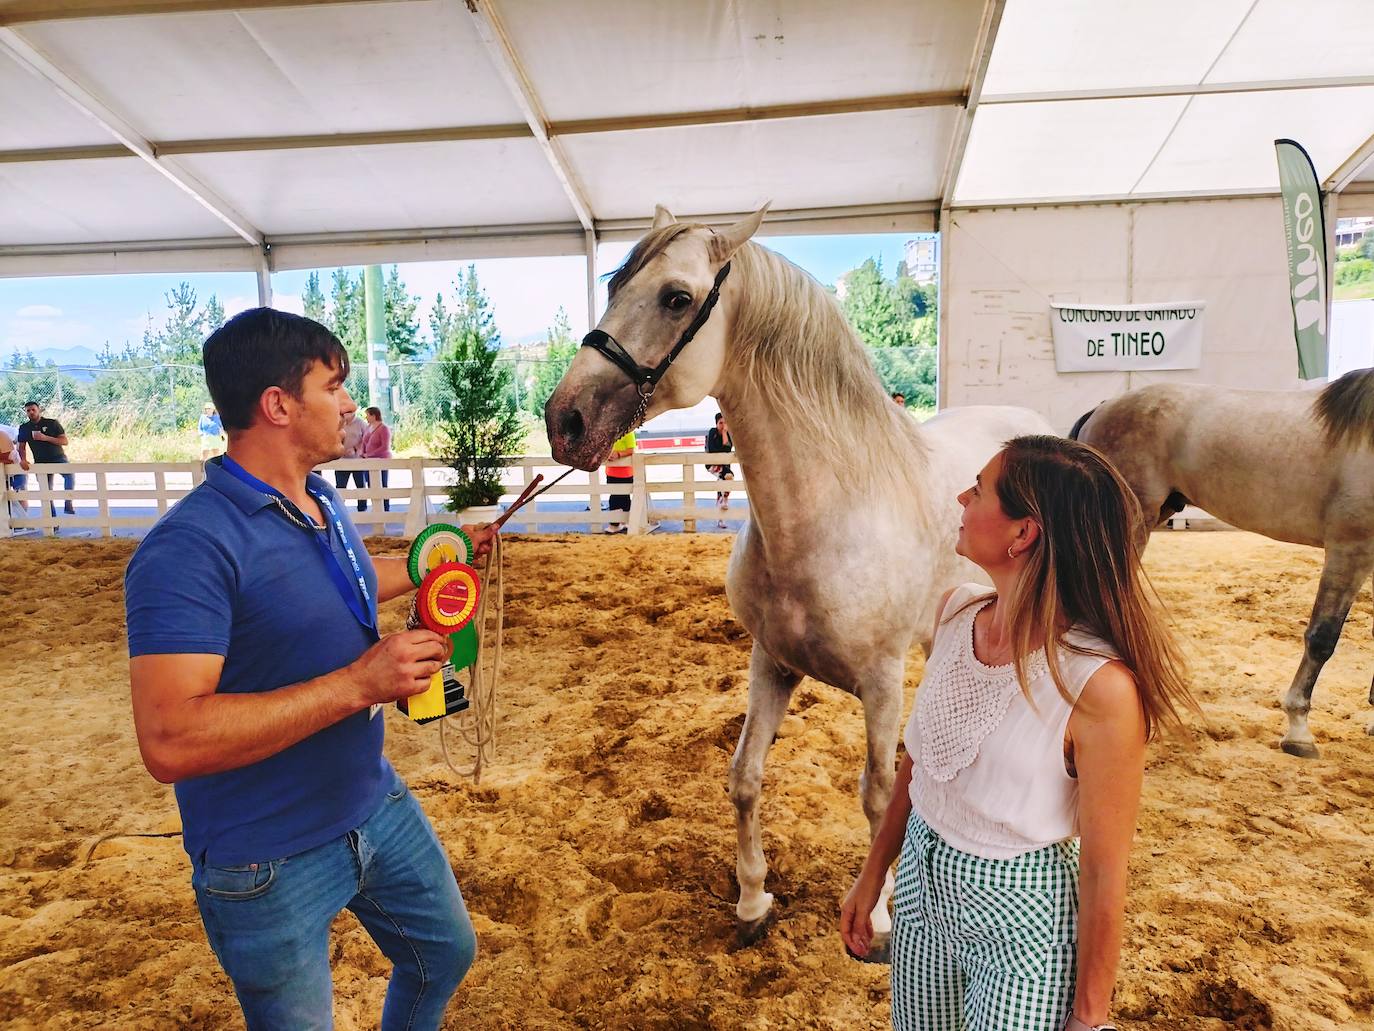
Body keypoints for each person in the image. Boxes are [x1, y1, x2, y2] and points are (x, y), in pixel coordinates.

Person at [124, 308, 493, 1030]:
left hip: (370, 801)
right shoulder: (187, 549)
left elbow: (342, 578)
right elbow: (169, 739)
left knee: (445, 951)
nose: (350, 404)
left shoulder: (318, 498)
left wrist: (430, 559)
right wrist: (360, 683)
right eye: (335, 384)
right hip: (265, 858)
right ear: (278, 404)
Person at [840, 435, 1195, 1031]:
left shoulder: (1098, 686)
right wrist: (874, 873)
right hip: (921, 900)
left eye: (977, 491)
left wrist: (1090, 1019)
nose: (961, 496)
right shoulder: (955, 612)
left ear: (1023, 533)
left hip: (1022, 927)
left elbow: (1107, 869)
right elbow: (922, 762)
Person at [16, 400, 74, 516]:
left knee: (69, 475)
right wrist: (23, 459)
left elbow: (64, 441)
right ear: (26, 413)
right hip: (40, 460)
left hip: (58, 457)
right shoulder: (24, 428)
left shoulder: (52, 423)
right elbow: (21, 446)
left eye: (33, 409)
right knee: (46, 490)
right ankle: (52, 521)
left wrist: (45, 438)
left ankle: (68, 502)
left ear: (39, 410)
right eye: (28, 411)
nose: (31, 412)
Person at [704, 411, 734, 530]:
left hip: (725, 466)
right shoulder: (712, 432)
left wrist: (725, 433)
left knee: (727, 479)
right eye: (720, 423)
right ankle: (724, 500)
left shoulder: (728, 434)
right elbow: (712, 450)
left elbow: (727, 449)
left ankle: (721, 517)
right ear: (716, 424)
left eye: (725, 423)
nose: (723, 425)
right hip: (712, 464)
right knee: (726, 477)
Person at [603, 428, 635, 534]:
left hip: (625, 472)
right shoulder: (608, 432)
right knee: (614, 498)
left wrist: (618, 454)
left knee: (624, 497)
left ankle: (626, 521)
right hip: (611, 471)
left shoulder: (629, 432)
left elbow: (631, 450)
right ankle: (614, 524)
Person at [360, 406, 392, 512]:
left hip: (381, 460)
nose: (366, 418)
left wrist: (370, 454)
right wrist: (362, 452)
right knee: (370, 484)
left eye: (368, 415)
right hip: (368, 461)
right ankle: (376, 508)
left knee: (382, 483)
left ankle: (385, 508)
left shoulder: (383, 429)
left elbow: (384, 446)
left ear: (374, 416)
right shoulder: (368, 427)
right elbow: (364, 441)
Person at [336, 406, 367, 511]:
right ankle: (341, 509)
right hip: (341, 460)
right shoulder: (339, 423)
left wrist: (356, 448)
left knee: (360, 485)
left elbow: (366, 439)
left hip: (356, 459)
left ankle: (362, 509)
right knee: (340, 485)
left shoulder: (361, 423)